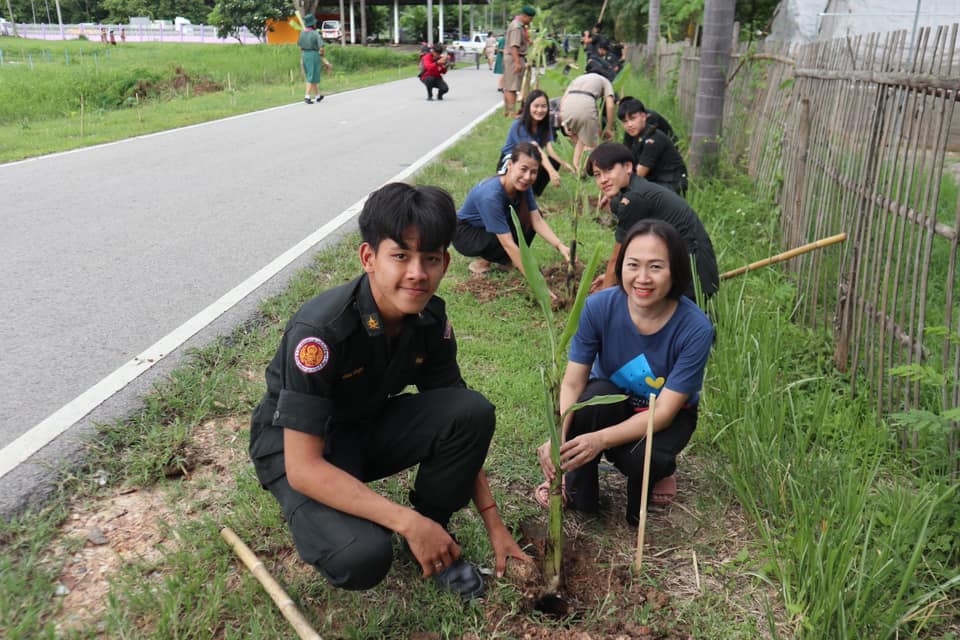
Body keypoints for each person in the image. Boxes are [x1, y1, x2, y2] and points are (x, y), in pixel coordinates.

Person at [249, 183, 531, 601]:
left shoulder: (430, 320)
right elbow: (304, 468)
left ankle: (433, 534)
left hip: (362, 426)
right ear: (369, 258)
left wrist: (494, 524)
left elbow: (460, 416)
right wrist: (405, 521)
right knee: (361, 556)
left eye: (430, 258)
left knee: (471, 411)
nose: (417, 273)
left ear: (445, 263)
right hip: (300, 448)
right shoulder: (321, 333)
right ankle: (392, 527)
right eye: (401, 256)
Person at [535, 219, 714, 524]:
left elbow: (664, 413)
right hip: (610, 401)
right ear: (621, 267)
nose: (642, 278)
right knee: (590, 403)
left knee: (643, 460)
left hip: (664, 415)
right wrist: (559, 434)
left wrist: (601, 440)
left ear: (675, 270)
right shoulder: (598, 307)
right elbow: (573, 382)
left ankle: (660, 470)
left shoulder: (695, 328)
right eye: (633, 265)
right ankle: (573, 486)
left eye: (656, 267)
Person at [586, 143, 718, 301]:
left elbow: (616, 258)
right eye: (597, 174)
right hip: (677, 264)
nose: (603, 179)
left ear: (628, 167)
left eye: (609, 170)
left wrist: (604, 298)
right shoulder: (635, 189)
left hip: (692, 272)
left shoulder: (635, 199)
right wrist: (614, 278)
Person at [453, 142, 571, 285]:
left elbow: (536, 220)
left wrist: (560, 245)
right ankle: (482, 263)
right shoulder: (491, 196)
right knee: (503, 234)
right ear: (510, 165)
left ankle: (505, 261)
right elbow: (508, 243)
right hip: (466, 234)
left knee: (527, 219)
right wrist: (536, 281)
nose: (527, 177)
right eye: (523, 169)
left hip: (487, 227)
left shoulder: (523, 185)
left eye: (533, 172)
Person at [496, 90, 574, 197]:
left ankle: (533, 192)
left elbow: (550, 148)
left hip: (530, 159)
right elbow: (534, 148)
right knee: (509, 191)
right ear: (528, 107)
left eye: (543, 106)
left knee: (553, 161)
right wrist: (551, 172)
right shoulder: (519, 125)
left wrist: (565, 164)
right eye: (536, 106)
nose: (540, 110)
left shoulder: (545, 124)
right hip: (512, 160)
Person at [618, 97, 688, 196]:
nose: (629, 124)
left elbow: (638, 175)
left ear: (644, 116)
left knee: (630, 196)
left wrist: (616, 190)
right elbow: (626, 160)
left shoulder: (653, 139)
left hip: (672, 184)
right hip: (656, 181)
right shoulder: (634, 134)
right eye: (625, 121)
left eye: (633, 119)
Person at [558, 72, 616, 174]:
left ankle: (576, 169)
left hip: (567, 107)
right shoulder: (605, 81)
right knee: (591, 144)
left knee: (581, 139)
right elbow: (610, 105)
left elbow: (563, 100)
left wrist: (564, 122)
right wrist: (609, 128)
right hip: (586, 105)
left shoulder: (578, 78)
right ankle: (583, 172)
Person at [502, 6, 536, 116]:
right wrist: (517, 62)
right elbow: (514, 46)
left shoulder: (519, 26)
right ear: (524, 16)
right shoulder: (516, 27)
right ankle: (512, 113)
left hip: (512, 57)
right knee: (512, 87)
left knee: (509, 85)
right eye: (530, 19)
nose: (530, 21)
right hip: (513, 58)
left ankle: (507, 111)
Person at [298, 15, 332, 104]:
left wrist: (302, 57)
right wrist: (322, 55)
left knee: (312, 75)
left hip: (305, 55)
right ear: (312, 24)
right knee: (311, 76)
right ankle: (307, 96)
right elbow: (321, 47)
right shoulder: (315, 33)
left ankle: (317, 96)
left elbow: (300, 47)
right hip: (313, 55)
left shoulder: (301, 33)